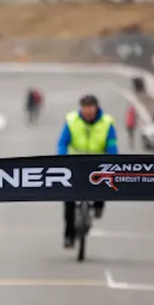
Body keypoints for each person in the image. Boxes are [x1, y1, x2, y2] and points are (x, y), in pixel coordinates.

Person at [56, 94, 117, 248]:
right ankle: (69, 236)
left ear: (96, 108)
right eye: (84, 109)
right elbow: (62, 143)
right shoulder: (72, 121)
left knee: (104, 183)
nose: (87, 112)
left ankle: (98, 206)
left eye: (90, 108)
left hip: (97, 163)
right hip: (75, 163)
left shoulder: (107, 123)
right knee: (68, 200)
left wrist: (113, 160)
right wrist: (62, 158)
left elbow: (112, 146)